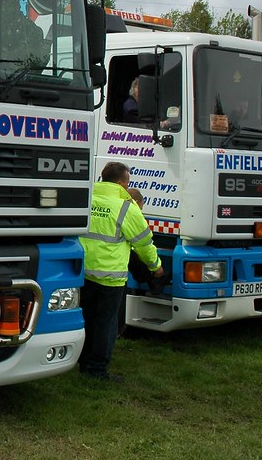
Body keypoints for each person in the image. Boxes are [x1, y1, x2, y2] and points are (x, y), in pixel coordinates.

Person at [79, 162, 163, 381]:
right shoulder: (126, 206)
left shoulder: (87, 198)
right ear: (120, 182)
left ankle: (83, 362)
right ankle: (97, 369)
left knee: (86, 319)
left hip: (83, 273)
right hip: (110, 277)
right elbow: (144, 243)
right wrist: (156, 267)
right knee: (106, 324)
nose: (128, 187)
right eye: (127, 183)